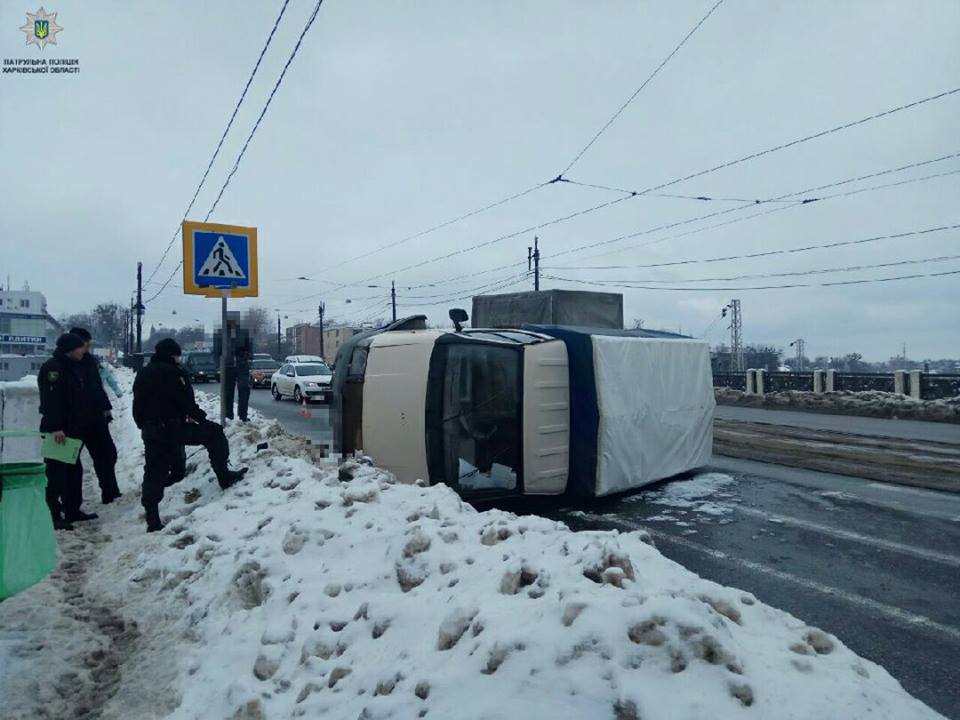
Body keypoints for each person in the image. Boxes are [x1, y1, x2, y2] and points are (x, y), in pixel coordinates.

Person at [132, 338, 247, 532]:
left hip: (151, 429)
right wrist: (200, 419)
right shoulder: (175, 373)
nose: (179, 358)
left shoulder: (143, 372)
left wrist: (143, 424)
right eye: (177, 354)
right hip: (174, 428)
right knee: (215, 434)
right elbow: (185, 401)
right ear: (172, 354)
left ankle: (152, 519)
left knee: (153, 470)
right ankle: (224, 477)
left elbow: (138, 402)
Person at [38, 333, 101, 530]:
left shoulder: (73, 366)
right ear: (70, 350)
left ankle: (73, 509)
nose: (85, 350)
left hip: (73, 429)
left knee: (74, 471)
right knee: (56, 474)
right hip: (59, 431)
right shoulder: (54, 369)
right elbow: (51, 401)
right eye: (81, 348)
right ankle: (54, 514)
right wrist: (56, 427)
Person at [68, 327, 122, 504]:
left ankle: (110, 491)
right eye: (86, 345)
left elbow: (97, 387)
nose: (88, 348)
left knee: (107, 455)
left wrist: (106, 407)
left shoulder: (89, 361)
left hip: (95, 418)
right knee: (70, 462)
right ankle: (71, 505)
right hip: (73, 422)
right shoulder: (61, 365)